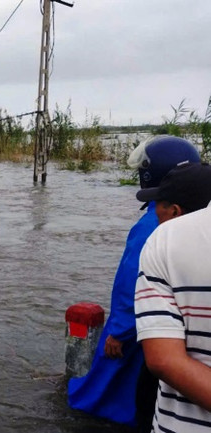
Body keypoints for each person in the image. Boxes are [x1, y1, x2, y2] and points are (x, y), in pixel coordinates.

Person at [67, 135, 200, 429]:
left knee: (106, 388)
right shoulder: (198, 217)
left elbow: (131, 285)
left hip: (141, 332)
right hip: (179, 333)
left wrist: (117, 331)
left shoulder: (154, 224)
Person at [134, 162, 211, 432]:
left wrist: (117, 332)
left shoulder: (163, 240)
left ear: (175, 211)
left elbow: (163, 360)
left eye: (158, 206)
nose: (153, 213)